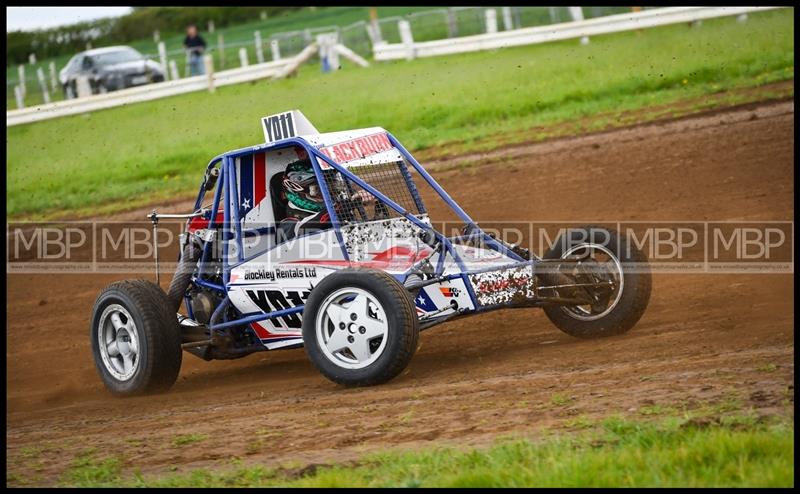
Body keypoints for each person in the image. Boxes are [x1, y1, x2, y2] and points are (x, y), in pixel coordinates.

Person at [277, 148, 377, 242]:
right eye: (319, 190)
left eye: (331, 189)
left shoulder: (338, 214)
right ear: (296, 190)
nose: (328, 194)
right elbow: (309, 226)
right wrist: (346, 205)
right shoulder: (287, 225)